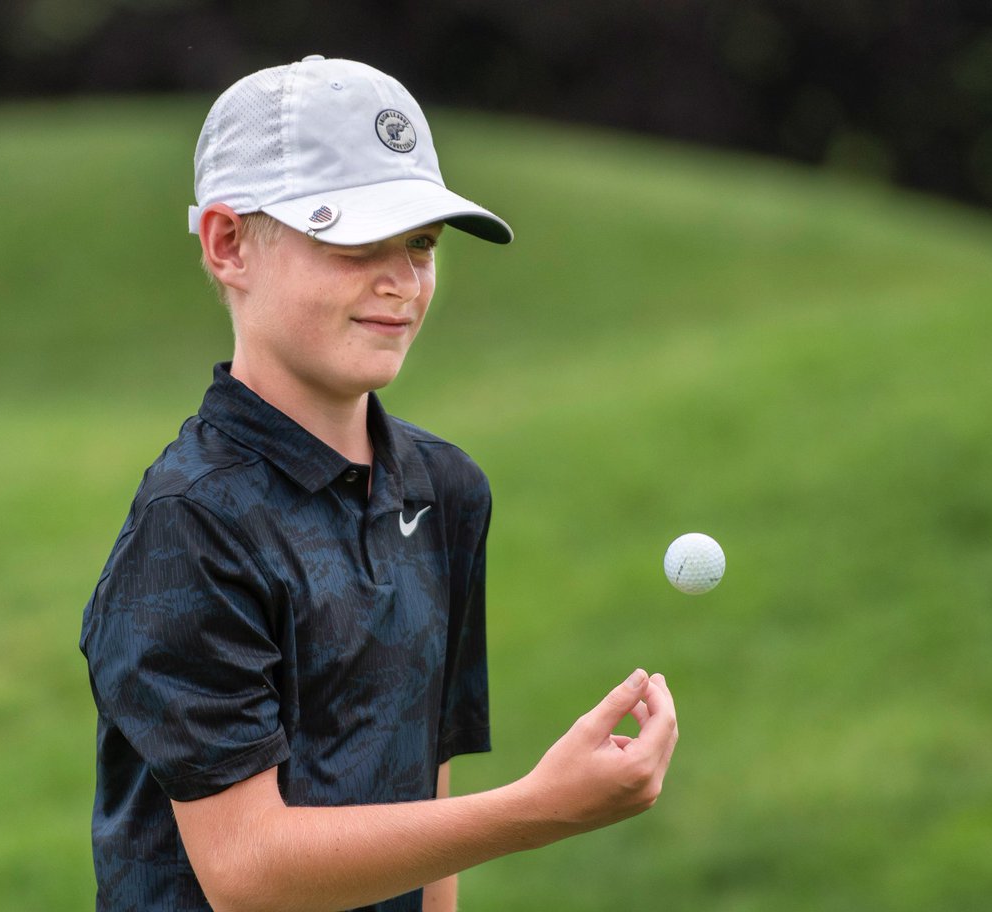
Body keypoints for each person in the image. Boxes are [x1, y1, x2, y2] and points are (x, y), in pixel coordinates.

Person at [80, 55, 678, 912]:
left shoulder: (445, 491)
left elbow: (421, 797)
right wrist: (539, 809)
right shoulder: (194, 525)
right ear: (227, 243)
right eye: (356, 243)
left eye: (422, 244)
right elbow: (248, 871)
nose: (402, 280)